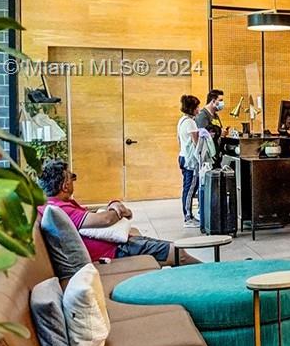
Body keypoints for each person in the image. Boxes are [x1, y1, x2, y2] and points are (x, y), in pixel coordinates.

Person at [37, 159, 189, 265]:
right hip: (113, 252)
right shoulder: (58, 210)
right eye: (73, 177)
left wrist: (114, 205)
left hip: (116, 246)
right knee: (178, 254)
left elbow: (97, 215)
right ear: (65, 185)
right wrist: (117, 209)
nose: (74, 181)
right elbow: (105, 220)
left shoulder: (55, 205)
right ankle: (205, 282)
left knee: (175, 249)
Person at [176, 94, 200, 226]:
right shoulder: (191, 123)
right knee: (190, 188)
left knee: (188, 187)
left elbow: (179, 140)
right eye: (197, 107)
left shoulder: (182, 121)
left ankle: (188, 215)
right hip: (190, 161)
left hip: (183, 156)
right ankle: (188, 217)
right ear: (192, 108)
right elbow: (196, 143)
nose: (199, 109)